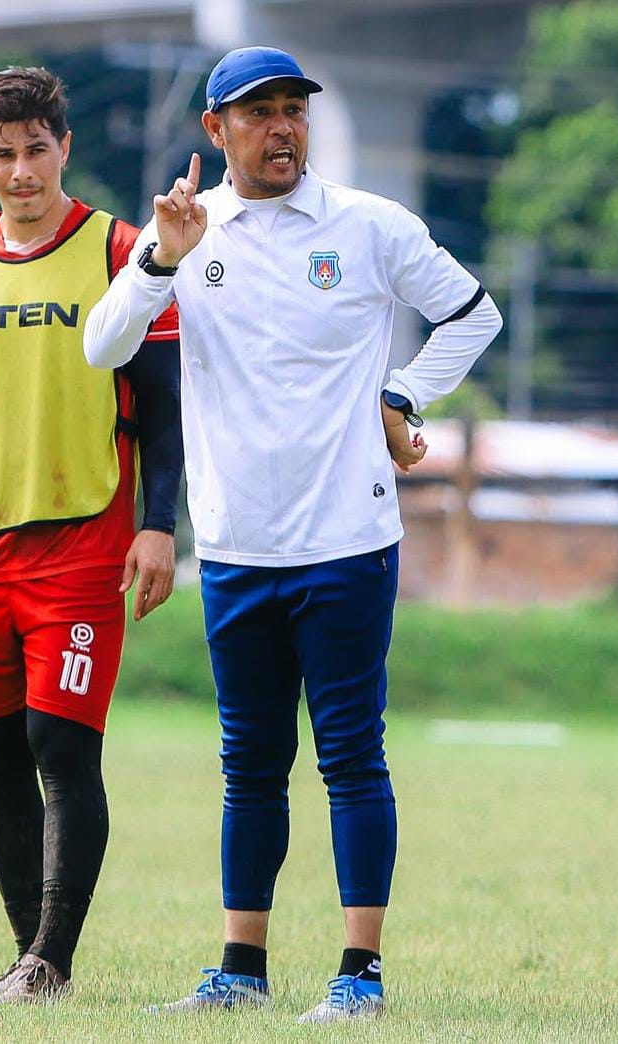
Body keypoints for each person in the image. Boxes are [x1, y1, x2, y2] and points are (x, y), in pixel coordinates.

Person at [84, 45, 502, 1021]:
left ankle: (359, 975)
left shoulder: (368, 226)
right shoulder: (190, 234)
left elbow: (473, 314)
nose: (282, 128)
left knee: (352, 755)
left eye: (293, 111)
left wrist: (402, 392)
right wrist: (161, 256)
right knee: (249, 762)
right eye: (259, 112)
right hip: (235, 548)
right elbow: (102, 344)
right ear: (216, 130)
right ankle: (241, 967)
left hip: (350, 541)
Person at [0, 66, 182, 1004]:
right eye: (2, 154)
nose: (21, 171)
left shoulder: (121, 251)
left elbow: (163, 402)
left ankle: (51, 957)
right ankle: (32, 957)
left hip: (85, 539)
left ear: (65, 147)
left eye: (36, 150)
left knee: (62, 744)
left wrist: (159, 525)